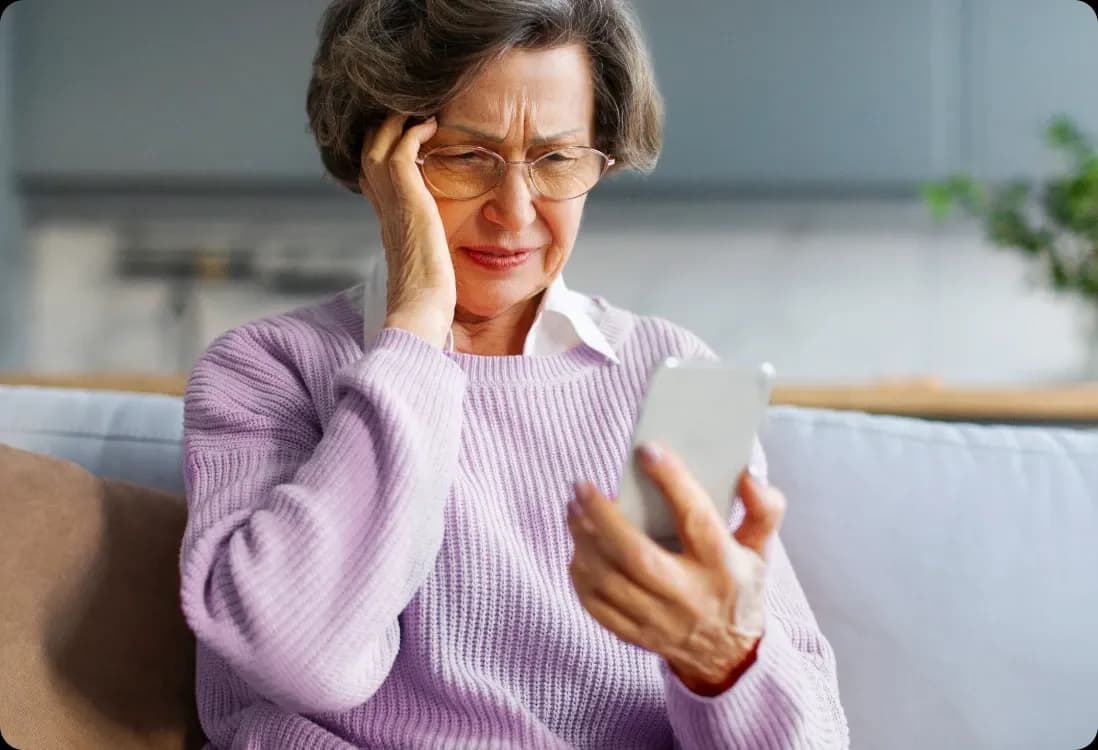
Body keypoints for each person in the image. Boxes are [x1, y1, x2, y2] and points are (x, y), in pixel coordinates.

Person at [179, 1, 850, 747]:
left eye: (558, 160)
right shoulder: (266, 372)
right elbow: (298, 658)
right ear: (379, 162)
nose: (515, 211)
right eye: (467, 157)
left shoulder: (667, 373)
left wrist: (723, 661)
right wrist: (416, 326)